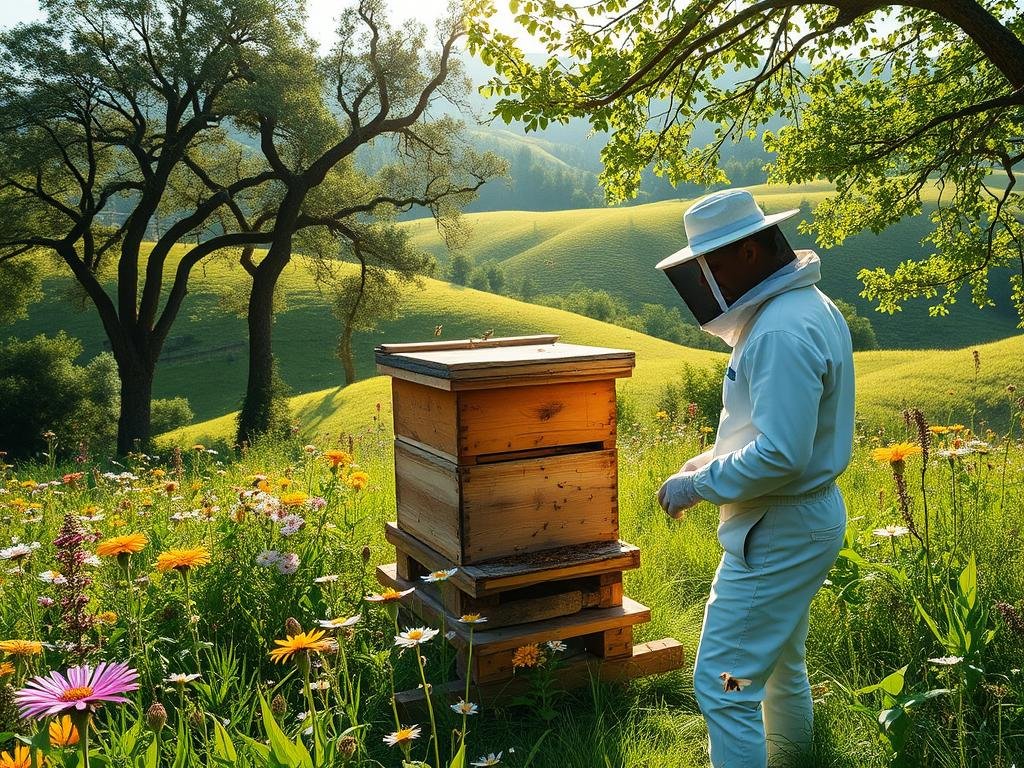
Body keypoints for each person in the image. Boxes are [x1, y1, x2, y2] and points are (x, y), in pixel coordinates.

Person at [654, 188, 855, 768]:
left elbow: (782, 456)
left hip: (779, 525)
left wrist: (697, 486)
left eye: (713, 262)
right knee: (780, 663)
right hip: (798, 516)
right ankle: (795, 758)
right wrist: (703, 463)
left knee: (726, 682)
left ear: (748, 251)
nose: (709, 278)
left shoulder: (778, 332)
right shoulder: (801, 308)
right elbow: (776, 433)